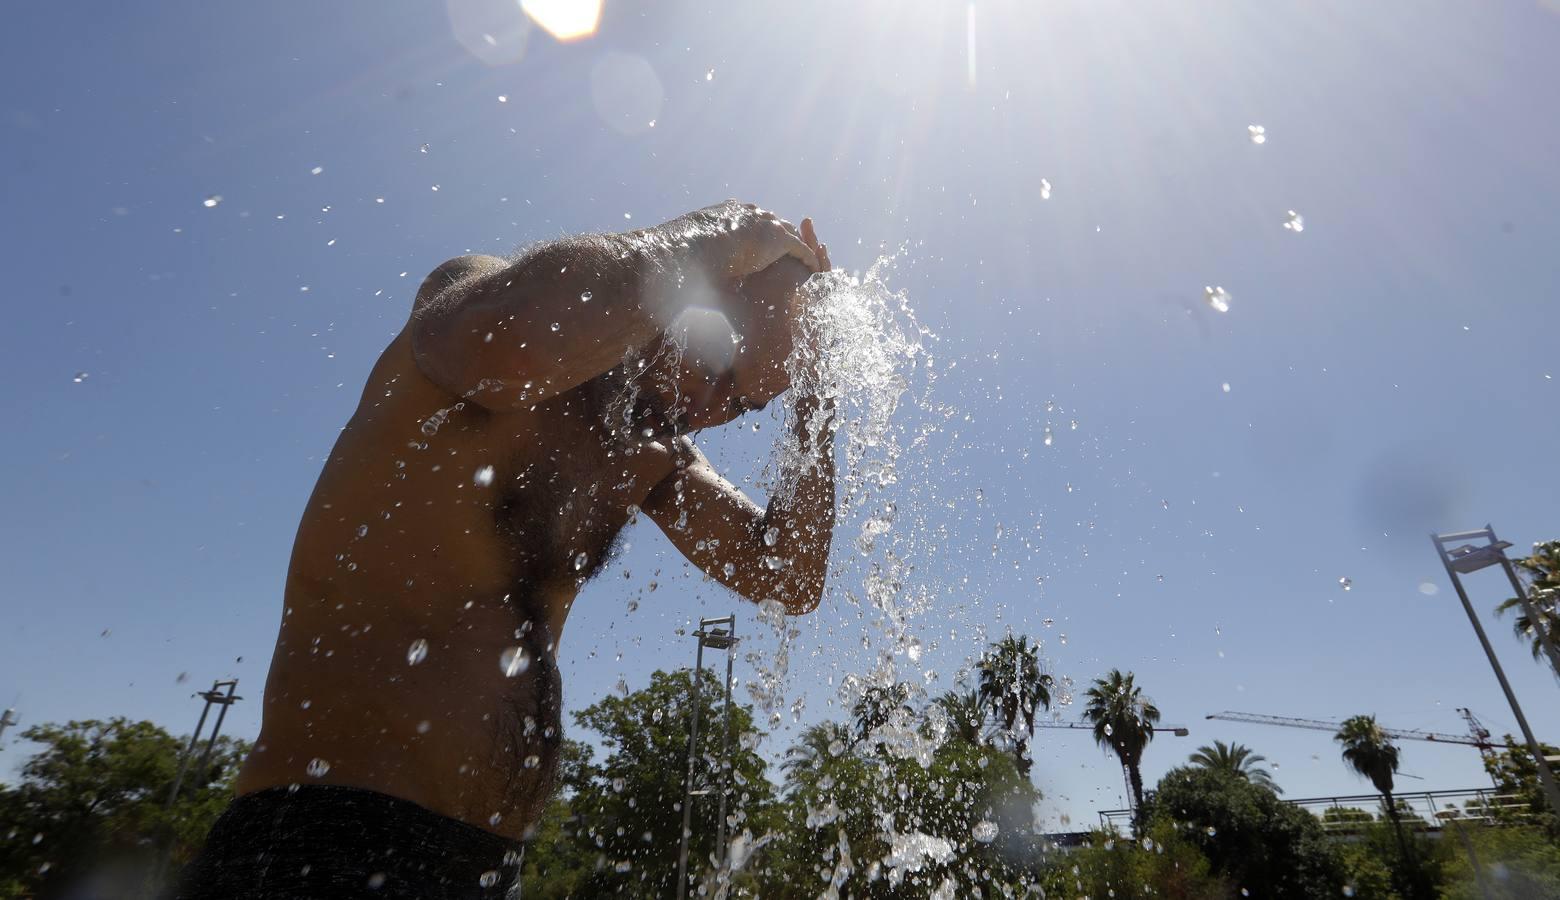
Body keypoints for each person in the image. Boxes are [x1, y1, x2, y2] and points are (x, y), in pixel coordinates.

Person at [175, 202, 838, 897]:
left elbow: (785, 576)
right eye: (718, 368)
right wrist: (730, 231)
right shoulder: (482, 302)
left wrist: (815, 391)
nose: (711, 409)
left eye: (743, 407)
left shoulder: (646, 453)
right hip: (326, 833)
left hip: (488, 866)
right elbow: (508, 342)